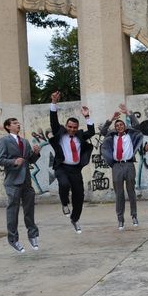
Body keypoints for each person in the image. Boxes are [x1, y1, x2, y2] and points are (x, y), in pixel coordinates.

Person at [48, 91, 95, 234]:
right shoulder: (60, 133)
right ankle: (64, 203)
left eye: (74, 127)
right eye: (70, 127)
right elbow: (54, 122)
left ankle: (75, 219)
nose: (72, 129)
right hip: (62, 167)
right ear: (66, 126)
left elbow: (91, 131)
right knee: (63, 184)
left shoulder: (80, 135)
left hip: (76, 170)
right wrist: (54, 103)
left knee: (79, 196)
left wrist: (87, 116)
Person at [0, 118, 41, 253]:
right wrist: (14, 162)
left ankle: (33, 235)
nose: (18, 125)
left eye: (18, 123)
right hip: (13, 182)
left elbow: (30, 160)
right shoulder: (4, 141)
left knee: (29, 211)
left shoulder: (24, 141)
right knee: (13, 212)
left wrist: (36, 153)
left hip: (27, 182)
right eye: (15, 123)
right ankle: (13, 240)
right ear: (8, 126)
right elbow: (0, 160)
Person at [100, 103, 144, 230]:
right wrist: (111, 119)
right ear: (115, 128)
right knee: (119, 194)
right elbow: (103, 131)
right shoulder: (112, 136)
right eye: (117, 125)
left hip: (129, 164)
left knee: (131, 192)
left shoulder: (130, 135)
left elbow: (137, 126)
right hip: (117, 167)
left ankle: (134, 216)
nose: (119, 127)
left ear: (125, 126)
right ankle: (120, 219)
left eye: (121, 125)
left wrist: (128, 112)